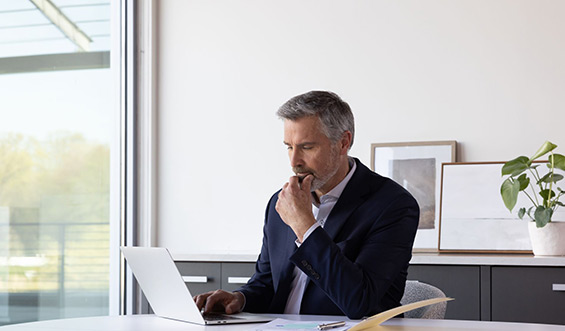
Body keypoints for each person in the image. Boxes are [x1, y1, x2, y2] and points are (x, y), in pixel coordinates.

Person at [194, 91, 419, 319]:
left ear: (343, 142)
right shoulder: (280, 202)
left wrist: (305, 226)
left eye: (307, 147)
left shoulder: (394, 206)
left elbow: (358, 301)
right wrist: (239, 299)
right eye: (289, 147)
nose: (294, 162)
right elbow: (266, 284)